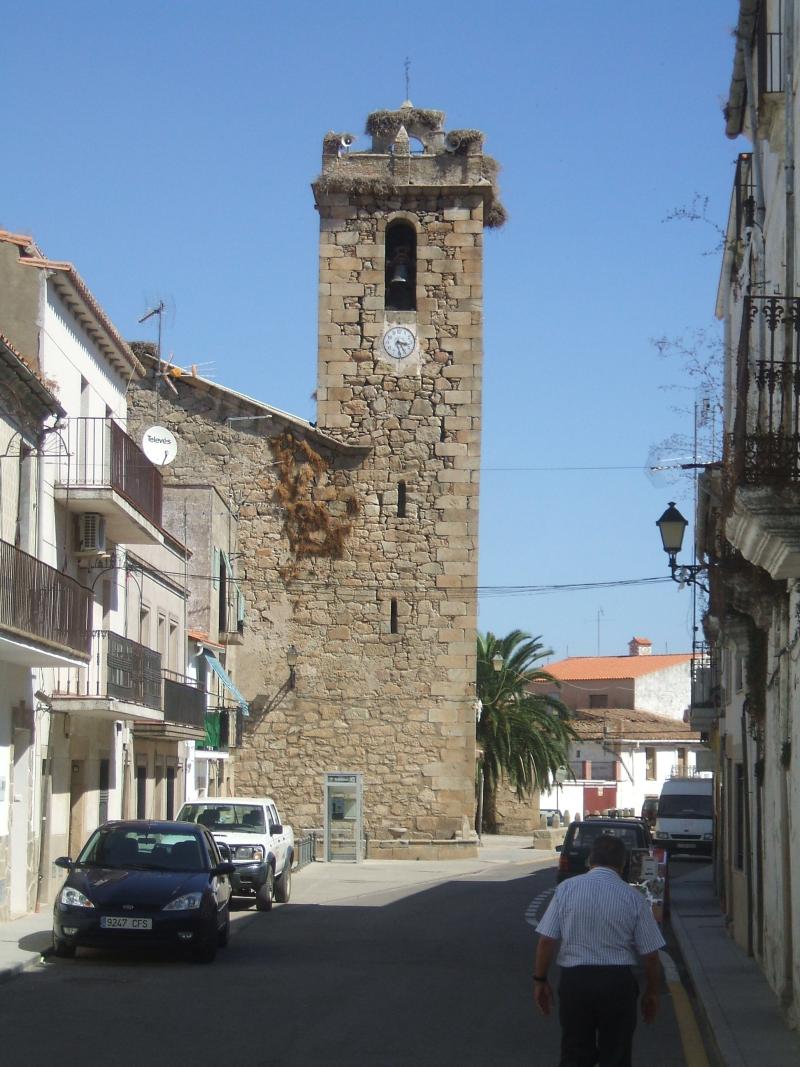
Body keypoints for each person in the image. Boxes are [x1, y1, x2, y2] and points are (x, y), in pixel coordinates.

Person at [533, 833, 665, 1067]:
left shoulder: (566, 889)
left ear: (589, 860)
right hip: (617, 984)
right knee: (616, 1054)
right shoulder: (634, 898)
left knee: (575, 1052)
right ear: (622, 864)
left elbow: (546, 941)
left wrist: (540, 980)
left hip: (576, 983)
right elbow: (651, 955)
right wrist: (652, 992)